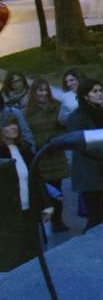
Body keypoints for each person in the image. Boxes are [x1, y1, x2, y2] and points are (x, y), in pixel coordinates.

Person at [65, 79, 103, 230]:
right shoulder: (76, 118)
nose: (99, 94)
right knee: (96, 215)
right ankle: (88, 245)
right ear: (85, 96)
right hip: (89, 174)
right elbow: (85, 145)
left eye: (100, 90)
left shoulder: (101, 111)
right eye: (95, 91)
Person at [0, 107, 50, 269]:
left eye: (15, 124)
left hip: (29, 211)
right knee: (13, 258)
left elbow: (37, 179)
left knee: (33, 255)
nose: (14, 127)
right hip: (8, 215)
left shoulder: (24, 149)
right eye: (7, 125)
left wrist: (47, 204)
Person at [23, 78, 70, 232]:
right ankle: (45, 220)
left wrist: (57, 140)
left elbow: (64, 126)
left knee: (57, 190)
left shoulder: (56, 106)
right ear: (34, 92)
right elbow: (26, 132)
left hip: (56, 153)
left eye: (45, 90)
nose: (43, 93)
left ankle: (58, 221)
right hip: (39, 155)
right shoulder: (27, 111)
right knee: (45, 190)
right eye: (40, 90)